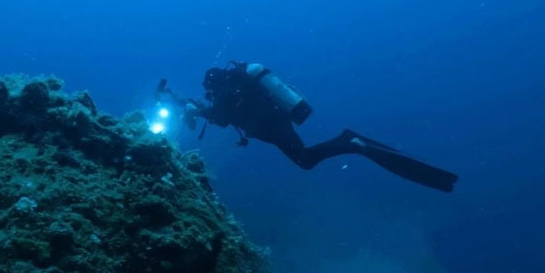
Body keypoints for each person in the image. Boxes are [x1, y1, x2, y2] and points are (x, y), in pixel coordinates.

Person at [157, 61, 458, 192]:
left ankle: (350, 142)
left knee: (305, 160)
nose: (209, 93)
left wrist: (198, 109)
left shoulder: (226, 90)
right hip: (276, 124)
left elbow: (221, 118)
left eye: (207, 89)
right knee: (305, 160)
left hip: (273, 128)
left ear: (213, 82)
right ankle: (350, 141)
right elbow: (221, 114)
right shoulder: (235, 87)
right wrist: (190, 104)